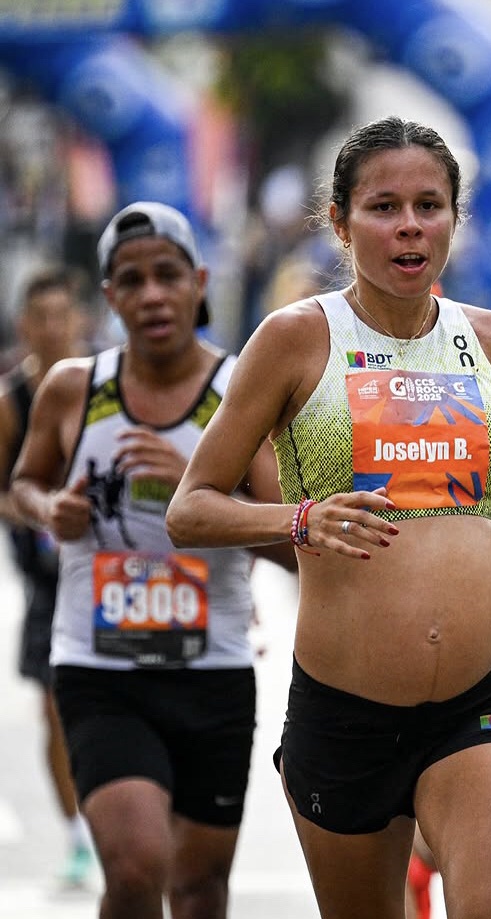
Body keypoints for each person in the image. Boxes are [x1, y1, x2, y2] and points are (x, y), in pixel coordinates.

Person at [166, 116, 491, 919]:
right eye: (384, 206)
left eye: (430, 206)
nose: (410, 226)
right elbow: (192, 508)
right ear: (340, 221)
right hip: (345, 706)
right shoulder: (294, 338)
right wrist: (299, 520)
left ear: (455, 220)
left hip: (485, 694)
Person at [10, 201, 295, 919]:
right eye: (131, 281)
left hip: (213, 669)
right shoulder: (73, 388)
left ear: (198, 282)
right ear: (109, 296)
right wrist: (50, 512)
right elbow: (19, 483)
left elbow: (292, 543)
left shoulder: (241, 393)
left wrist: (196, 488)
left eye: (168, 275)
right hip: (100, 668)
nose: (152, 295)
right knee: (137, 869)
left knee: (199, 891)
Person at [0, 265, 93, 886]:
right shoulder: (12, 403)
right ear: (24, 327)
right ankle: (78, 836)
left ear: (80, 320)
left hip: (111, 568)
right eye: (43, 318)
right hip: (46, 578)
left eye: (65, 315)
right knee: (55, 709)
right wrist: (39, 514)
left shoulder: (107, 385)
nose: (55, 329)